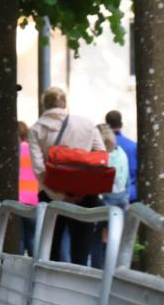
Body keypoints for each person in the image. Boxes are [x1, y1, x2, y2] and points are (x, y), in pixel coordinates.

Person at [28, 86, 106, 265]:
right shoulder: (86, 124)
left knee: (51, 246)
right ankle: (80, 285)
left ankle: (53, 287)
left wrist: (59, 196)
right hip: (85, 194)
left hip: (51, 193)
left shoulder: (36, 130)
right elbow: (100, 155)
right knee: (82, 246)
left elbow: (39, 168)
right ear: (64, 103)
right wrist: (82, 190)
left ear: (44, 104)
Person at [88, 124, 129, 269]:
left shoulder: (101, 157)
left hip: (104, 199)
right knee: (113, 238)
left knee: (97, 239)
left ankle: (98, 270)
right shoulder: (121, 152)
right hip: (121, 199)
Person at [104, 110, 138, 203]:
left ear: (106, 124)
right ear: (121, 124)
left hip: (107, 196)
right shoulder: (133, 146)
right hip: (131, 196)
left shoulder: (101, 146)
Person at [17, 121, 38, 256]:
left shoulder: (14, 150)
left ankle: (16, 268)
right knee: (33, 237)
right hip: (34, 199)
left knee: (19, 238)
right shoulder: (34, 150)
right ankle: (34, 269)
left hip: (18, 198)